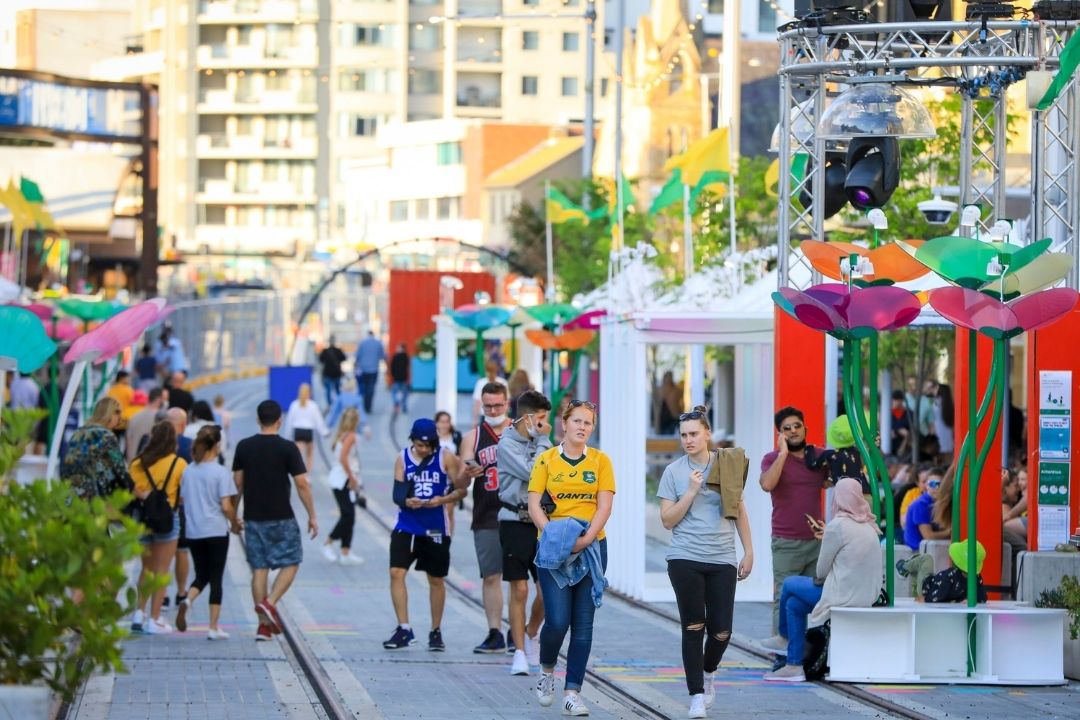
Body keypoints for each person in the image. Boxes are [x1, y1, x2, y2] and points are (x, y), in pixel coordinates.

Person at [658, 406, 753, 716]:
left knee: (722, 631)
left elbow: (739, 509)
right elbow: (667, 521)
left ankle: (708, 671)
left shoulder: (726, 463)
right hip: (684, 556)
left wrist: (749, 551)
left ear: (707, 434)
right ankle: (696, 695)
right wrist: (690, 492)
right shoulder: (673, 472)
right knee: (693, 625)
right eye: (684, 435)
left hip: (722, 557)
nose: (688, 440)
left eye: (694, 434)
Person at [528, 400, 614, 717]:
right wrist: (555, 536)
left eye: (587, 423)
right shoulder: (546, 460)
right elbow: (534, 504)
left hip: (591, 548)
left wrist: (586, 539)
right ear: (564, 424)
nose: (582, 427)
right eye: (577, 421)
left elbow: (604, 506)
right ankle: (546, 670)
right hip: (553, 550)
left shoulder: (601, 461)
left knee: (583, 625)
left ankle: (572, 692)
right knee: (557, 621)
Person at [761, 477, 883, 682]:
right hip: (866, 596)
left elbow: (821, 571)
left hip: (843, 596)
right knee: (793, 605)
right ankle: (793, 665)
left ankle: (784, 638)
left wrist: (827, 538)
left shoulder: (838, 525)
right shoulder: (870, 525)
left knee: (789, 583)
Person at [233, 400, 318, 641]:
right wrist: (312, 515)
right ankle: (270, 603)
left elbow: (237, 484)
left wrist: (233, 515)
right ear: (279, 421)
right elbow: (302, 483)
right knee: (292, 560)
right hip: (282, 516)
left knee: (259, 569)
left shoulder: (244, 446)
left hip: (253, 517)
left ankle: (263, 627)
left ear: (258, 420)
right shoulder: (288, 448)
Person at [384, 418, 467, 651]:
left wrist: (442, 499)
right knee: (396, 572)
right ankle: (404, 628)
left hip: (435, 525)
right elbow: (397, 494)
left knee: (436, 579)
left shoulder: (445, 457)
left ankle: (435, 630)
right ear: (412, 441)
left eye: (427, 445)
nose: (423, 449)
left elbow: (461, 490)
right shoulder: (402, 458)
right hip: (407, 523)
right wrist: (407, 501)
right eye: (419, 445)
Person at [758, 406, 830, 634]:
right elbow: (767, 484)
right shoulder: (772, 458)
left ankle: (806, 649)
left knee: (815, 599)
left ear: (805, 428)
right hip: (786, 543)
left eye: (797, 426)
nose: (793, 431)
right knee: (783, 597)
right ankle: (783, 648)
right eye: (787, 428)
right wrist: (783, 454)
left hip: (817, 543)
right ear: (780, 434)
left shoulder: (818, 456)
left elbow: (839, 478)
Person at [497, 390, 552, 675]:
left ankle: (532, 631)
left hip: (540, 521)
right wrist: (542, 440)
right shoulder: (506, 444)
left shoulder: (544, 441)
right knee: (518, 588)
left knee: (546, 591)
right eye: (541, 419)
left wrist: (543, 440)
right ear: (528, 418)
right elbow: (535, 473)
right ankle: (519, 651)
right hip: (514, 519)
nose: (545, 425)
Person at [460, 382, 514, 654]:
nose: (493, 411)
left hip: (518, 515)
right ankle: (495, 632)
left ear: (507, 404)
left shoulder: (521, 431)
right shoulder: (473, 437)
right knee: (491, 575)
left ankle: (518, 629)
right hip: (486, 514)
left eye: (498, 405)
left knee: (518, 579)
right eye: (488, 406)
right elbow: (459, 482)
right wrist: (466, 473)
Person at [175, 425, 240, 639]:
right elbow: (226, 506)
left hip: (194, 531)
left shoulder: (188, 471)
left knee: (201, 574)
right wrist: (234, 523)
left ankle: (187, 600)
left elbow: (182, 499)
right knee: (216, 578)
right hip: (216, 530)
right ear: (217, 446)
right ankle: (213, 627)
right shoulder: (220, 472)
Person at [130, 421, 188, 635]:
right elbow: (183, 495)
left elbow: (131, 489)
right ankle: (154, 619)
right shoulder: (179, 463)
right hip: (167, 520)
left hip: (143, 520)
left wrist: (147, 495)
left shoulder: (138, 463)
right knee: (162, 571)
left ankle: (139, 613)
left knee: (146, 569)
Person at [61, 396, 132, 502]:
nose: (120, 418)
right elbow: (119, 470)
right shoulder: (106, 435)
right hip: (93, 496)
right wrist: (132, 488)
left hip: (71, 494)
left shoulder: (78, 432)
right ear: (109, 413)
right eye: (117, 413)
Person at [322, 407, 365, 564]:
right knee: (348, 515)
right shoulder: (351, 436)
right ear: (355, 420)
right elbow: (343, 458)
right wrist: (352, 478)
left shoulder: (341, 434)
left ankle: (346, 552)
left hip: (339, 479)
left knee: (349, 516)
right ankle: (328, 542)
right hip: (343, 480)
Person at [804, 415, 869, 494]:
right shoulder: (858, 452)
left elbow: (813, 464)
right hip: (865, 492)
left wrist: (809, 449)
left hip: (846, 495)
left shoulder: (830, 455)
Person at [283, 383, 328, 474]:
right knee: (309, 455)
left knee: (298, 456)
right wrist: (324, 432)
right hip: (308, 432)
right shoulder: (313, 405)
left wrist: (286, 436)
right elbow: (318, 421)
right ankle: (307, 475)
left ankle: (298, 473)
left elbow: (289, 421)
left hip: (298, 432)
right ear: (310, 393)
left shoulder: (294, 405)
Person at [902, 467, 950, 551]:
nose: (936, 488)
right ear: (927, 486)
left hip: (930, 550)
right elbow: (928, 536)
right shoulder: (920, 504)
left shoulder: (940, 503)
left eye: (940, 484)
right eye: (932, 484)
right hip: (917, 553)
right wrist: (949, 532)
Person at [127, 387, 168, 463]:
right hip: (149, 462)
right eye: (164, 399)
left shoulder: (134, 416)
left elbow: (128, 440)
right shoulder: (160, 419)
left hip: (132, 461)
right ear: (159, 399)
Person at [355, 331, 386, 414]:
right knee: (371, 388)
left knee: (364, 387)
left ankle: (365, 405)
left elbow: (357, 356)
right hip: (374, 369)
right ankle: (368, 406)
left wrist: (356, 366)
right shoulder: (378, 343)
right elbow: (382, 356)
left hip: (363, 369)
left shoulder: (362, 343)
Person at [471, 360, 509, 425]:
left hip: (485, 416)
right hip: (500, 416)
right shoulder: (503, 382)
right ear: (496, 370)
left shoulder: (481, 383)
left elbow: (477, 403)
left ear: (485, 370)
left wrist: (474, 421)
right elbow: (507, 402)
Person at [318, 336, 347, 406]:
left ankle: (329, 404)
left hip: (328, 373)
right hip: (336, 373)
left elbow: (320, 360)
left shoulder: (325, 351)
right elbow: (344, 358)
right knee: (337, 390)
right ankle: (339, 403)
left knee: (328, 390)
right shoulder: (338, 350)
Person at [932, 383, 955, 463]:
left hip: (939, 429)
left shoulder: (936, 402)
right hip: (947, 430)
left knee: (941, 453)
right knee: (948, 452)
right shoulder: (948, 403)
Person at [389, 342, 410, 414]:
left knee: (394, 393)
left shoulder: (395, 356)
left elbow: (392, 367)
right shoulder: (406, 357)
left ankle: (396, 402)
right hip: (404, 378)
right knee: (405, 394)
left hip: (396, 378)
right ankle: (404, 407)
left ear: (401, 348)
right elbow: (407, 367)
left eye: (398, 347)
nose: (397, 349)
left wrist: (393, 375)